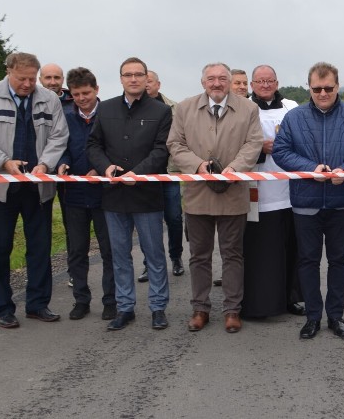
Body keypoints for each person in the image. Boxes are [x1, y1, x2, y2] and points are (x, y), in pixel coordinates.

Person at [0, 52, 68, 328]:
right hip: (0, 187)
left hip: (38, 187)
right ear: (8, 71)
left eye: (32, 79)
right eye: (22, 78)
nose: (28, 84)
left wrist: (45, 164)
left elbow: (59, 135)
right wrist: (3, 162)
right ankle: (3, 309)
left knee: (40, 247)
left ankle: (37, 304)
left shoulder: (50, 99)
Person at [272, 62, 344, 339]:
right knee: (308, 260)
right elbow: (281, 151)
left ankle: (336, 316)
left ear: (338, 86)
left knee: (339, 260)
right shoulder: (295, 117)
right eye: (317, 89)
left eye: (328, 88)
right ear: (309, 88)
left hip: (341, 200)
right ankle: (313, 316)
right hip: (306, 201)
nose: (323, 93)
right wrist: (309, 168)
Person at [167, 62, 263, 333]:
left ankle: (232, 309)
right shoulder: (184, 108)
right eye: (211, 79)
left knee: (232, 254)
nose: (217, 83)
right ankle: (200, 308)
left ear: (230, 82)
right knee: (199, 255)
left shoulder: (249, 109)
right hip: (198, 193)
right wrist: (197, 165)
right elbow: (175, 144)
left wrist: (235, 168)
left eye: (223, 78)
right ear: (203, 82)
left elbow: (254, 143)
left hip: (233, 192)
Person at [87, 56, 172, 332]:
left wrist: (139, 173)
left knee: (154, 254)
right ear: (121, 78)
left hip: (146, 194)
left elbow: (162, 150)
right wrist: (105, 167)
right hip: (114, 196)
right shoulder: (107, 108)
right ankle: (125, 308)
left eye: (138, 74)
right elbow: (93, 145)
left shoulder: (160, 111)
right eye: (128, 75)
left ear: (147, 78)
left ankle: (158, 307)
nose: (133, 79)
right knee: (120, 254)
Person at [240, 64, 305, 318]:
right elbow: (233, 143)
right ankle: (260, 303)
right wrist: (259, 148)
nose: (265, 85)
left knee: (291, 247)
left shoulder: (292, 107)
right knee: (261, 251)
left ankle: (291, 298)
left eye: (270, 81)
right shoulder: (244, 108)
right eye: (260, 81)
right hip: (257, 192)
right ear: (252, 85)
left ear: (277, 83)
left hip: (290, 191)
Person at [56, 67, 116, 321]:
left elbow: (117, 148)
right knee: (77, 251)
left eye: (87, 93)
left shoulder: (111, 115)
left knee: (109, 250)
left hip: (105, 195)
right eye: (77, 94)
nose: (82, 98)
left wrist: (101, 167)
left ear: (97, 90)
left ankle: (111, 300)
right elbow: (61, 147)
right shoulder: (66, 118)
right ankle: (81, 300)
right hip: (75, 195)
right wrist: (63, 162)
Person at [134, 70, 184, 281]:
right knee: (146, 221)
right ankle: (149, 263)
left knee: (173, 217)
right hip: (144, 172)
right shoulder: (133, 108)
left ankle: (176, 257)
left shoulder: (174, 108)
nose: (146, 85)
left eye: (150, 81)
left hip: (169, 172)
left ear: (158, 84)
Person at [40, 62, 74, 287]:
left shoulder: (73, 102)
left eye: (57, 78)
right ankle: (41, 277)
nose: (52, 82)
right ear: (40, 79)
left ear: (63, 80)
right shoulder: (35, 101)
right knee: (41, 227)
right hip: (40, 172)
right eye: (48, 78)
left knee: (72, 225)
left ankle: (74, 270)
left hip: (68, 172)